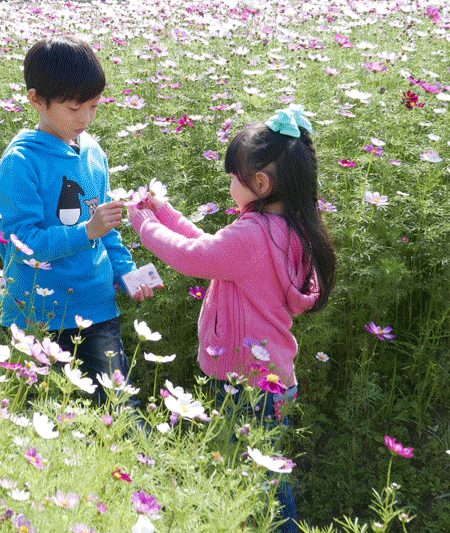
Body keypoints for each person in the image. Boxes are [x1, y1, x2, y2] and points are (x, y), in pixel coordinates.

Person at [127, 105, 336, 532]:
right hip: (273, 380)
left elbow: (193, 257)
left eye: (234, 177)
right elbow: (213, 249)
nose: (230, 184)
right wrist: (164, 212)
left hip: (245, 386)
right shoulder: (288, 227)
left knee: (262, 487)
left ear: (260, 183)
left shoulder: (254, 234)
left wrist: (145, 225)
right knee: (259, 473)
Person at [0, 36, 154, 406]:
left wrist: (127, 273)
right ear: (36, 99)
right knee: (37, 410)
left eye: (93, 106)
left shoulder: (93, 152)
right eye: (74, 107)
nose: (85, 118)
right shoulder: (21, 163)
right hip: (38, 312)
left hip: (96, 304)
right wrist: (85, 232)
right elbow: (19, 241)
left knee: (116, 404)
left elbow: (105, 226)